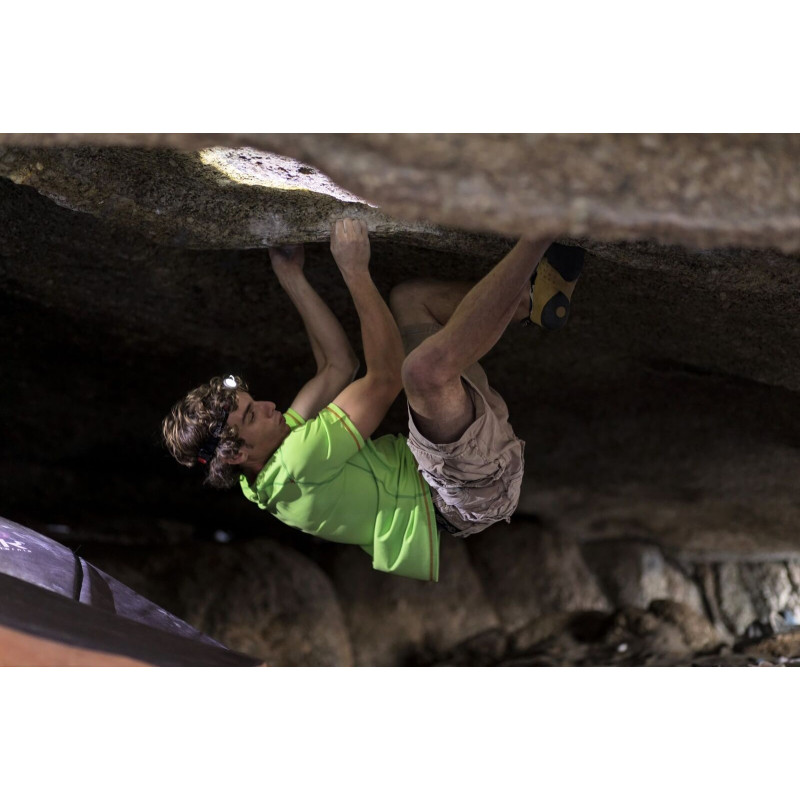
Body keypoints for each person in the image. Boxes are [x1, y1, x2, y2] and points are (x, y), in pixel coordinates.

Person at [162, 219, 583, 581]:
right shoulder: (297, 463)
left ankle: (536, 300)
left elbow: (337, 366)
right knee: (421, 372)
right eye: (253, 415)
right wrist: (355, 271)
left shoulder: (261, 471)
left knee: (410, 301)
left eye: (252, 401)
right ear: (235, 453)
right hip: (467, 491)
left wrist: (290, 275)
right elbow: (385, 377)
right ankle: (541, 231)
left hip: (451, 463)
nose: (270, 405)